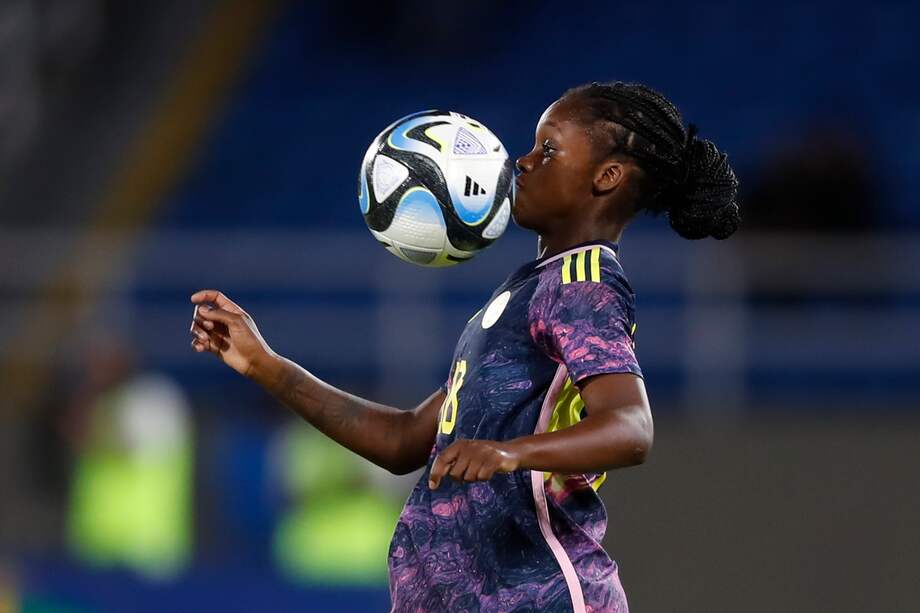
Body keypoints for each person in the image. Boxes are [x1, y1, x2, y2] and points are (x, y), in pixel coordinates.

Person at [189, 81, 740, 612]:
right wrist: (266, 365)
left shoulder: (585, 280)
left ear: (608, 176)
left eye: (548, 150)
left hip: (535, 596)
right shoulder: (527, 292)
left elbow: (631, 428)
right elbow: (405, 440)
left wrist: (512, 452)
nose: (522, 162)